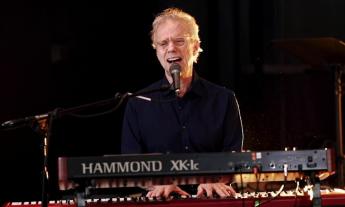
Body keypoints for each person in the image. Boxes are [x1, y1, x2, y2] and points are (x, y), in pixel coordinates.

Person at [121, 7, 244, 198]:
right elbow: (131, 164)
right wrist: (160, 184)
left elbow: (234, 157)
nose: (171, 48)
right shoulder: (138, 103)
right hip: (162, 202)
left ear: (195, 46)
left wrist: (215, 180)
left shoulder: (223, 99)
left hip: (212, 201)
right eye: (163, 43)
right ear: (157, 51)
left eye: (179, 41)